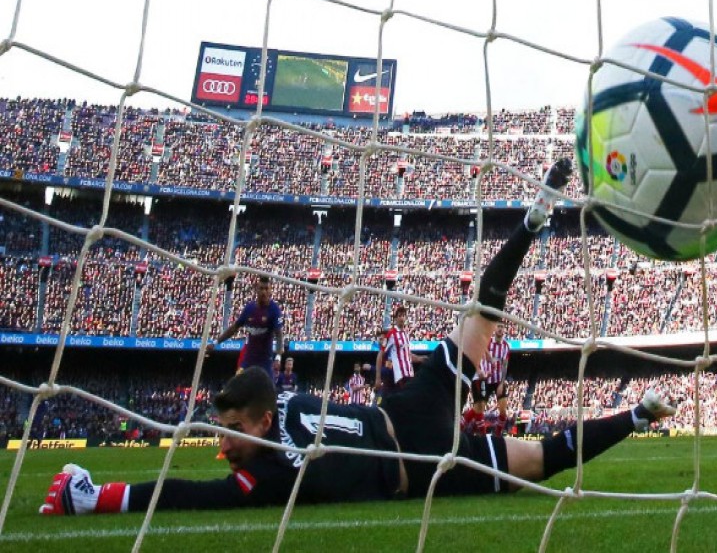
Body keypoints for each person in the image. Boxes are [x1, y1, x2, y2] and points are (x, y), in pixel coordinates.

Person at [39, 158, 676, 515]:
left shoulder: (275, 471)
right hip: (412, 428)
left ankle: (637, 411)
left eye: (229, 428)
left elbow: (191, 498)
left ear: (259, 421)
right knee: (529, 436)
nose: (223, 443)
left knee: (518, 403)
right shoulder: (277, 416)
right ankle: (536, 229)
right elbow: (203, 479)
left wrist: (100, 496)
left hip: (410, 436)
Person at [207, 275, 285, 382]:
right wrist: (215, 342)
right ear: (256, 289)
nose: (264, 292)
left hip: (265, 361)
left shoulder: (274, 310)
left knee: (269, 392)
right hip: (248, 359)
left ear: (270, 291)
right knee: (237, 386)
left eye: (266, 289)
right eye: (261, 288)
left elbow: (279, 334)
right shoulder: (249, 308)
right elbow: (234, 328)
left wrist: (278, 358)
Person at [463, 323, 511, 436]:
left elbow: (505, 365)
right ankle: (461, 425)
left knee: (504, 410)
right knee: (479, 408)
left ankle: (497, 435)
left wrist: (502, 382)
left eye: (502, 327)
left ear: (504, 330)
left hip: (498, 380)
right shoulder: (487, 342)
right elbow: (476, 355)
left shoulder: (506, 346)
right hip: (485, 379)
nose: (500, 329)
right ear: (494, 329)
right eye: (498, 326)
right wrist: (480, 371)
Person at [377, 307, 425, 390]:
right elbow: (380, 354)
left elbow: (407, 354)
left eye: (403, 316)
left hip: (410, 374)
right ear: (395, 319)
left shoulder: (405, 334)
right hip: (400, 375)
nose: (401, 318)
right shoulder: (391, 334)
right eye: (399, 316)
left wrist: (420, 358)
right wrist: (378, 378)